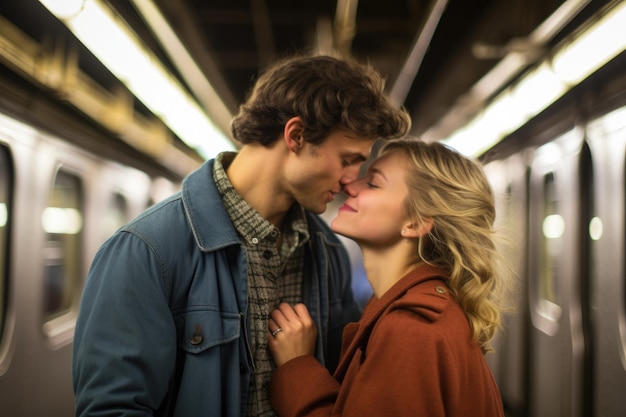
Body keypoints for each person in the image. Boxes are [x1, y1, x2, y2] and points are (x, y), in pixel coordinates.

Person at [72, 53, 410, 417]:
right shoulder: (146, 251)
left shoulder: (327, 252)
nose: (351, 180)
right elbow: (113, 409)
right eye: (347, 159)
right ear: (295, 135)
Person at [267, 138, 510, 417]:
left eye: (373, 183)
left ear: (415, 223)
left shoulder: (411, 332)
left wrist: (297, 366)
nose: (350, 186)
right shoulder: (424, 308)